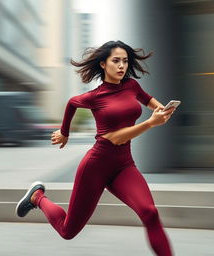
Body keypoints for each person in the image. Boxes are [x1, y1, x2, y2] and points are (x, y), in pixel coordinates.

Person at [16, 40, 175, 256]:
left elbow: (147, 100)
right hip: (95, 167)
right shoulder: (96, 97)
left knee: (150, 213)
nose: (122, 66)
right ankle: (37, 197)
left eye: (125, 61)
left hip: (123, 166)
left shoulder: (131, 86)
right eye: (116, 61)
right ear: (103, 64)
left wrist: (162, 110)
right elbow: (108, 133)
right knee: (67, 230)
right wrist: (65, 132)